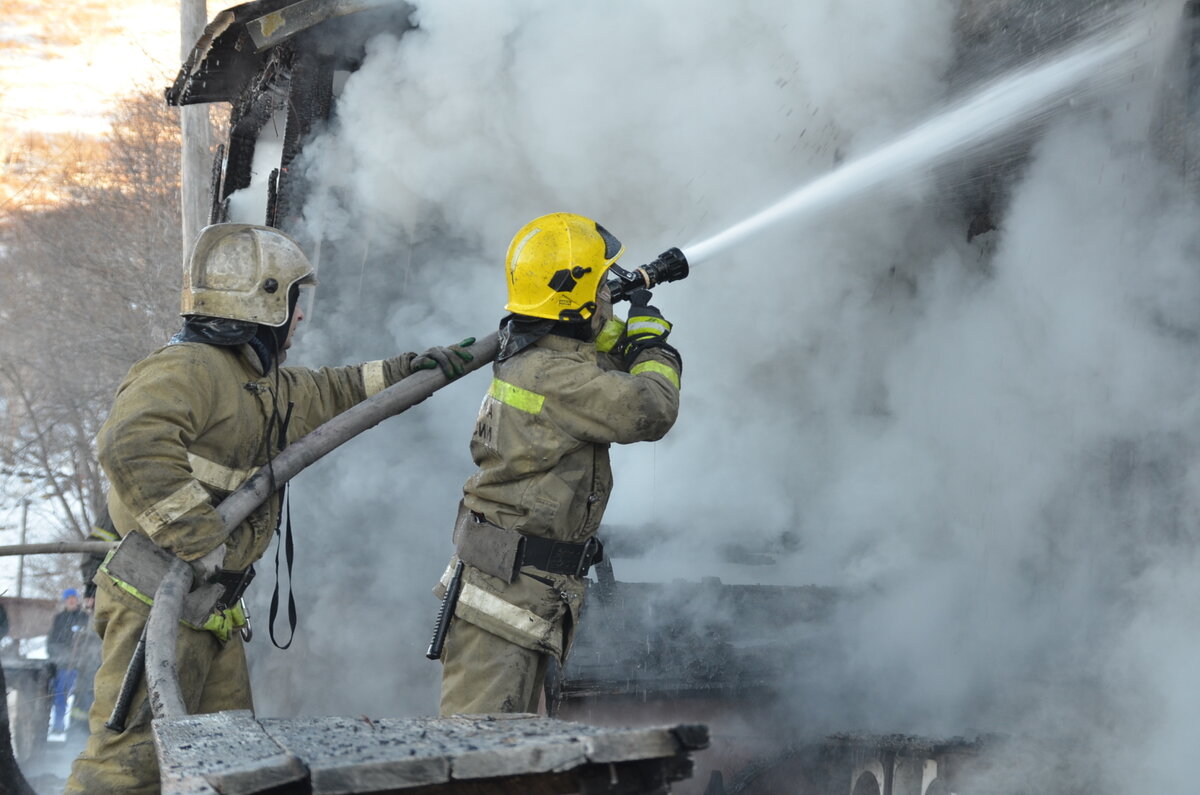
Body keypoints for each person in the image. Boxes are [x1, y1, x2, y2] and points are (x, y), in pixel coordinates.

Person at [67, 223, 473, 793]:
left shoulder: (258, 382)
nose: (300, 317)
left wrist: (415, 370)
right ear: (264, 304)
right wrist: (198, 534)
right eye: (293, 301)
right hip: (154, 606)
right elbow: (130, 442)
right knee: (128, 766)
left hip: (210, 613)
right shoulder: (187, 368)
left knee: (228, 762)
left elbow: (337, 389)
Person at [435, 212, 682, 715]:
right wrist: (653, 345)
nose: (609, 300)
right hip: (507, 600)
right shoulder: (554, 377)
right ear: (579, 298)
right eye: (602, 290)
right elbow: (651, 409)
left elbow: (584, 363)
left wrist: (612, 336)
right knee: (479, 768)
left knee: (508, 766)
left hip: (521, 593)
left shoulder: (536, 357)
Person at [48, 588, 89, 734]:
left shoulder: (84, 618)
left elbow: (89, 642)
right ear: (65, 601)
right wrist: (56, 657)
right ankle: (58, 726)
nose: (71, 600)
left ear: (77, 600)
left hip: (81, 665)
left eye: (74, 598)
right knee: (60, 695)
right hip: (64, 664)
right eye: (68, 598)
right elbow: (52, 640)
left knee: (81, 698)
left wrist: (82, 656)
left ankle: (77, 729)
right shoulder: (59, 618)